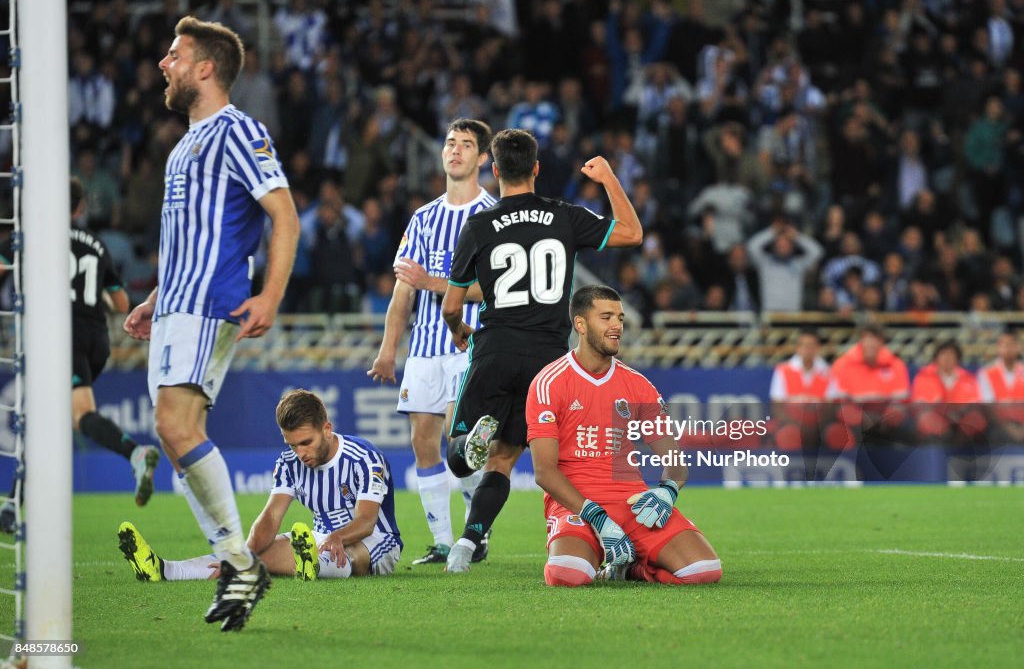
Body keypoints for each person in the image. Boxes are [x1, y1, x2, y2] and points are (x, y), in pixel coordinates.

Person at [122, 17, 300, 632]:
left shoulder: (236, 131)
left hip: (210, 303)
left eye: (174, 55)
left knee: (174, 424)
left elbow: (285, 215)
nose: (163, 64)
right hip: (177, 304)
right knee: (175, 435)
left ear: (205, 68)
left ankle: (236, 563)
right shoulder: (185, 144)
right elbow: (186, 240)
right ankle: (236, 566)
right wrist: (155, 298)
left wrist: (270, 294)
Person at [441, 129, 643, 572]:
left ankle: (465, 460)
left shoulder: (477, 226)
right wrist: (608, 178)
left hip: (494, 347)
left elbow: (451, 305)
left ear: (494, 172)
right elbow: (631, 233)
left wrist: (459, 329)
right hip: (548, 360)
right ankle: (469, 541)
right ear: (536, 169)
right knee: (507, 455)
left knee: (460, 452)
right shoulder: (563, 217)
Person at [527, 285, 721, 586]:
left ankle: (630, 570)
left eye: (620, 317)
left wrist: (667, 490)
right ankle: (596, 548)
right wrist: (596, 514)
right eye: (606, 317)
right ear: (581, 324)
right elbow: (544, 471)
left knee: (704, 570)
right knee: (567, 574)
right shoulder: (549, 382)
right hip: (575, 504)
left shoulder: (637, 384)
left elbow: (674, 459)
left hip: (632, 503)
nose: (617, 325)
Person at [367, 119, 495, 566]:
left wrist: (435, 283)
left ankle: (474, 533)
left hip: (471, 343)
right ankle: (443, 541)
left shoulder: (494, 215)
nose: (454, 151)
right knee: (423, 442)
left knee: (456, 437)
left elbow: (493, 285)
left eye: (466, 145)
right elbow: (404, 290)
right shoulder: (423, 218)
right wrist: (388, 350)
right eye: (449, 143)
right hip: (423, 349)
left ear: (483, 159)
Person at [0, 178, 161, 532]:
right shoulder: (97, 245)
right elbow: (120, 303)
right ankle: (12, 507)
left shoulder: (34, 236)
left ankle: (134, 453)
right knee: (49, 420)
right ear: (79, 208)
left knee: (78, 414)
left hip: (60, 335)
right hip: (96, 338)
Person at [118, 389, 401, 582]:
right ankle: (165, 570)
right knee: (249, 555)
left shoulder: (364, 457)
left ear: (326, 429)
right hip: (318, 539)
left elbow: (366, 521)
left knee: (352, 555)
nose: (300, 453)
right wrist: (245, 554)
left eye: (306, 443)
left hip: (376, 540)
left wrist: (336, 538)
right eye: (292, 444)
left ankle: (316, 564)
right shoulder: (289, 463)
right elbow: (271, 516)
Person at [769, 328, 831, 452]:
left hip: (819, 425)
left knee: (836, 433)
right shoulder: (783, 370)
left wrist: (815, 425)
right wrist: (797, 424)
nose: (807, 350)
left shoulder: (828, 371)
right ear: (797, 348)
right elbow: (777, 406)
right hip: (791, 422)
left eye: (811, 345)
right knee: (789, 434)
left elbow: (831, 407)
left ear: (818, 348)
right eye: (804, 345)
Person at [977, 329, 1024, 444]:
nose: (1008, 348)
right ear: (998, 348)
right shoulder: (986, 373)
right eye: (1004, 345)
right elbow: (988, 407)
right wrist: (1010, 429)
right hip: (999, 425)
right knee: (996, 435)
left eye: (1012, 344)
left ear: (1018, 347)